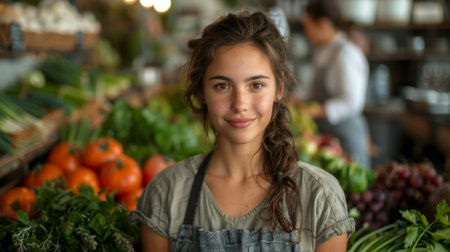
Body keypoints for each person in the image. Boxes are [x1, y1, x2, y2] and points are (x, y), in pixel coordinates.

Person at [130, 10, 354, 252]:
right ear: (202, 92)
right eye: (222, 86)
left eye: (256, 85)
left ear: (278, 88)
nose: (240, 104)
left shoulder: (318, 196)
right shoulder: (167, 192)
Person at [299, 0, 371, 168]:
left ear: (323, 24)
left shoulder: (346, 55)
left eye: (307, 26)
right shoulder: (323, 50)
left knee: (351, 187)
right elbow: (314, 89)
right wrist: (299, 99)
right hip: (328, 134)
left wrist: (316, 111)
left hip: (346, 133)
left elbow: (352, 102)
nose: (305, 32)